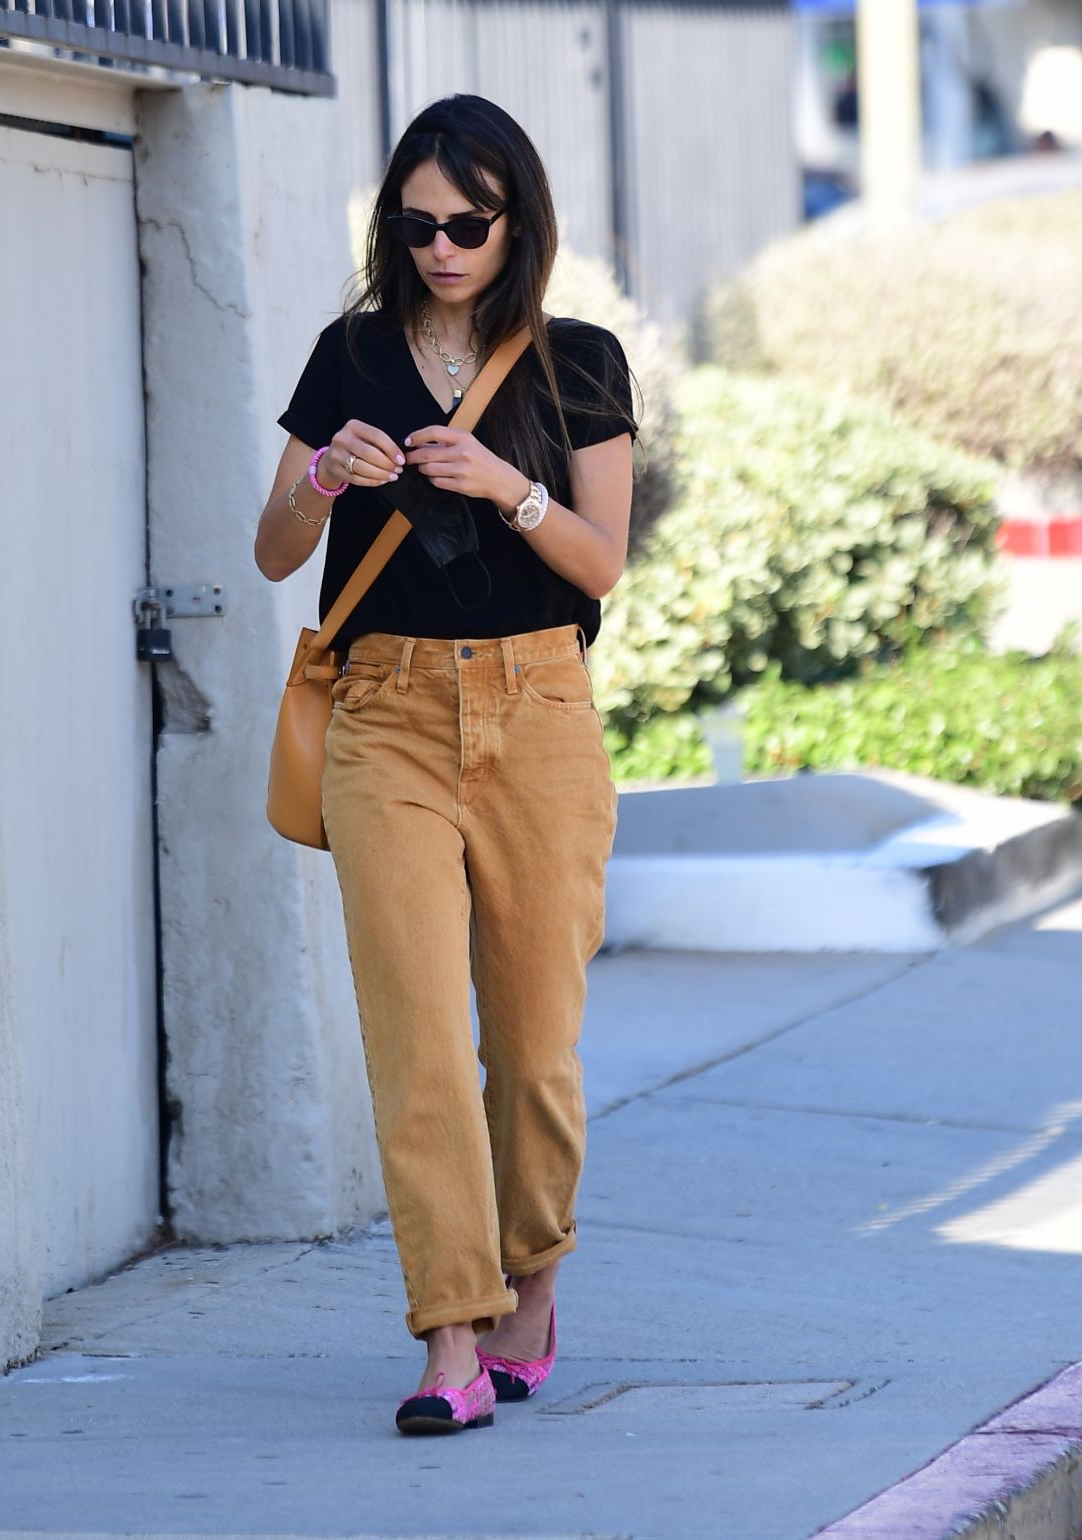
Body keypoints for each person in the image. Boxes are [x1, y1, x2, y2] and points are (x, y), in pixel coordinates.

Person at [254, 92, 639, 1437]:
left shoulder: (576, 364)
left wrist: (504, 486)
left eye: (466, 222)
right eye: (416, 224)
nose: (439, 245)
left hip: (538, 711)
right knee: (417, 1037)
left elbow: (601, 564)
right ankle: (451, 1341)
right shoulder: (348, 358)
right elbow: (273, 550)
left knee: (532, 1049)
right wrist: (322, 481)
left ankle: (533, 1278)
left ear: (515, 219)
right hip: (387, 719)